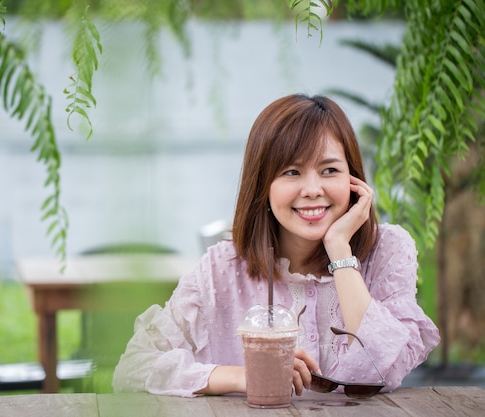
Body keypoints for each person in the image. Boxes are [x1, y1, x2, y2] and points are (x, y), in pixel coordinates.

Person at [112, 93, 440, 397]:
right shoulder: (222, 268)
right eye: (291, 172)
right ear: (263, 185)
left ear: (353, 180)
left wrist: (339, 249)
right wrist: (242, 376)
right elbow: (132, 369)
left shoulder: (387, 250)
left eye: (329, 170)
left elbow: (383, 369)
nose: (312, 189)